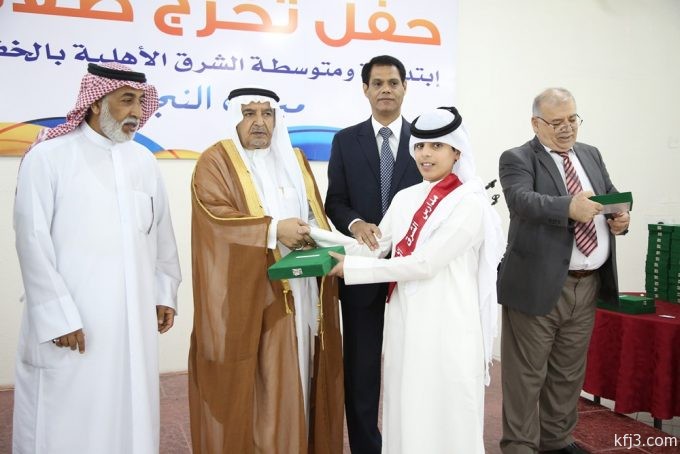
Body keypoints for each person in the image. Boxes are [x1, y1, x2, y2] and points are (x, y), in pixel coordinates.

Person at [310, 106, 505, 453]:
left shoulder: (469, 203)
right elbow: (372, 248)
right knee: (407, 407)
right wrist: (313, 238)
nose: (425, 154)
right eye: (420, 146)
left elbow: (425, 264)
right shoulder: (406, 198)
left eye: (436, 146)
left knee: (445, 411)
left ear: (456, 151)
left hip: (448, 326)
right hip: (406, 324)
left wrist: (352, 269)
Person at [12, 62, 182, 453]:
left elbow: (161, 234)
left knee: (130, 413)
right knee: (66, 418)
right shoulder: (49, 157)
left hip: (133, 321)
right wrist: (57, 314)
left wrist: (164, 293)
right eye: (126, 101)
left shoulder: (143, 161)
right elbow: (32, 241)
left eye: (140, 102)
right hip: (74, 321)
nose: (136, 112)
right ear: (95, 103)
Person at [189, 87, 344, 454]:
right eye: (249, 113)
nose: (259, 122)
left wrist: (318, 236)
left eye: (267, 114)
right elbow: (216, 220)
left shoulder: (294, 159)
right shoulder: (215, 162)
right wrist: (274, 230)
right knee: (261, 383)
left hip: (300, 291)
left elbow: (313, 214)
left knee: (300, 371)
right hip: (248, 296)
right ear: (234, 118)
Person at [497, 87, 630, 454]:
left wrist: (621, 218)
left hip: (587, 285)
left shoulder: (590, 154)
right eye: (557, 122)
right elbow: (522, 201)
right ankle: (520, 445)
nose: (567, 128)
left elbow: (610, 194)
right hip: (536, 284)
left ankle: (556, 441)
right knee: (526, 375)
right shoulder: (518, 158)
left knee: (568, 372)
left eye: (573, 119)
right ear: (536, 123)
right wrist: (568, 207)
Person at [324, 54, 421, 453]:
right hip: (361, 271)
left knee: (412, 367)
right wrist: (356, 224)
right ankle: (367, 447)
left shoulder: (425, 140)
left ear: (405, 88)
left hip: (412, 274)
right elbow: (335, 200)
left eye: (393, 83)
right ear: (365, 89)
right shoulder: (346, 141)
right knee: (362, 369)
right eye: (377, 83)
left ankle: (410, 442)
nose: (385, 90)